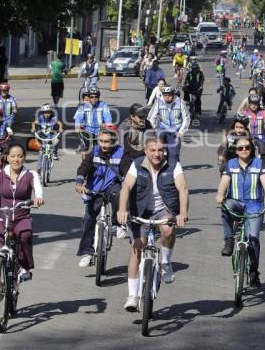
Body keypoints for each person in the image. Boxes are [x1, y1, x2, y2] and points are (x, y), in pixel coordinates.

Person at [117, 135, 189, 311]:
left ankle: (165, 262)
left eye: (160, 150)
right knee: (137, 248)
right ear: (146, 151)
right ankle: (132, 296)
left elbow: (183, 188)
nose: (157, 154)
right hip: (140, 210)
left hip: (164, 208)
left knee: (168, 231)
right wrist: (122, 209)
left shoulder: (173, 164)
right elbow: (126, 187)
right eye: (153, 150)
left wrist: (182, 213)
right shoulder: (137, 164)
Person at [0, 144, 44, 310]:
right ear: (7, 158)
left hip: (21, 217)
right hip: (2, 219)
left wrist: (38, 198)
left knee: (25, 234)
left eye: (19, 156)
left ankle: (24, 267)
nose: (16, 159)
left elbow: (38, 189)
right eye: (12, 156)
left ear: (24, 158)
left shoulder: (30, 174)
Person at [216, 136, 265, 287]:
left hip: (254, 205)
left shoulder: (258, 163)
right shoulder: (231, 163)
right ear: (236, 151)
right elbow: (224, 181)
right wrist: (220, 195)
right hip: (235, 201)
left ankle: (254, 272)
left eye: (247, 147)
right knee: (225, 207)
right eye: (240, 148)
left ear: (251, 149)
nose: (244, 150)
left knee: (253, 238)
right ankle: (229, 240)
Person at [75, 125, 126, 268]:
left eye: (107, 141)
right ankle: (87, 253)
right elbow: (84, 167)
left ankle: (117, 225)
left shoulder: (121, 152)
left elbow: (126, 169)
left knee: (119, 194)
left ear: (114, 142)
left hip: (112, 186)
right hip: (94, 188)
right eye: (101, 141)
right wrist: (79, 182)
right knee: (88, 219)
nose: (103, 144)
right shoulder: (94, 152)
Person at [148, 85, 190, 161]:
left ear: (173, 95)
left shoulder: (180, 103)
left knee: (173, 154)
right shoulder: (158, 102)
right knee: (158, 151)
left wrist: (181, 131)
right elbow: (151, 117)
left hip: (175, 132)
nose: (167, 97)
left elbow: (186, 118)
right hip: (161, 130)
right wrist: (153, 129)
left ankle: (175, 166)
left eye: (169, 95)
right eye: (165, 95)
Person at [74, 87, 112, 152]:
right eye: (91, 97)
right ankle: (85, 160)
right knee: (86, 148)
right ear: (89, 97)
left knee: (101, 148)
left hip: (100, 130)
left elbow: (107, 116)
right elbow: (78, 117)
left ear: (99, 97)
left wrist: (108, 125)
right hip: (88, 130)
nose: (94, 99)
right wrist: (77, 126)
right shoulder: (83, 106)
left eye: (96, 97)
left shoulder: (103, 105)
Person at [119, 104, 152, 175]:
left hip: (143, 159)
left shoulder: (148, 126)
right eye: (140, 117)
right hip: (128, 159)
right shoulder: (124, 128)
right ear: (132, 117)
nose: (143, 119)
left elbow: (151, 145)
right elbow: (121, 149)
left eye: (144, 116)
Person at [31, 104, 63, 171]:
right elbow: (34, 123)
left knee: (56, 140)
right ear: (42, 113)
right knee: (41, 152)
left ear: (51, 112)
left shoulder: (53, 118)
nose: (46, 114)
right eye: (45, 112)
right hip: (42, 136)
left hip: (51, 135)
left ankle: (54, 152)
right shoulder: (40, 117)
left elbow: (60, 123)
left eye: (48, 112)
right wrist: (33, 128)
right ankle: (39, 167)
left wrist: (60, 128)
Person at [244, 94, 265, 166]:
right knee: (245, 152)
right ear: (249, 103)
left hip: (261, 137)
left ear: (258, 104)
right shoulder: (245, 113)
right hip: (249, 137)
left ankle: (263, 168)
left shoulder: (263, 113)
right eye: (252, 103)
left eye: (256, 104)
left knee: (263, 153)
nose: (254, 105)